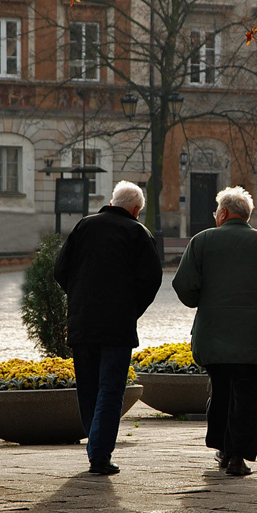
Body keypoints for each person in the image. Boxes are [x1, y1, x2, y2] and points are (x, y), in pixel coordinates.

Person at [172, 185, 257, 476]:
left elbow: (184, 285)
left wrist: (201, 301)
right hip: (252, 335)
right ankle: (239, 457)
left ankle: (223, 450)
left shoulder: (201, 241)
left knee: (221, 391)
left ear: (224, 212)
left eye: (217, 211)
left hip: (213, 333)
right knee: (247, 396)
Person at [54, 180, 162, 475]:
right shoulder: (138, 232)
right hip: (117, 327)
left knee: (88, 388)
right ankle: (99, 453)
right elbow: (151, 280)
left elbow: (60, 270)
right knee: (111, 390)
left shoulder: (84, 226)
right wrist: (131, 310)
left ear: (112, 201)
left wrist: (79, 299)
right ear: (136, 209)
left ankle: (95, 446)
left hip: (82, 323)